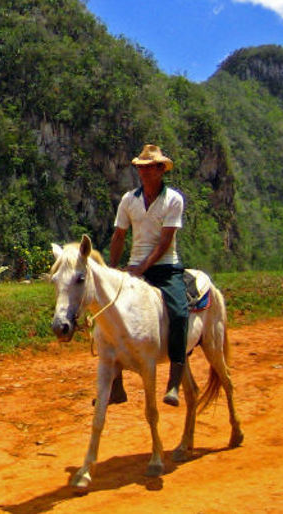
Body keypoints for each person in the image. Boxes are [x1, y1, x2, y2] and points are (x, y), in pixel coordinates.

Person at [107, 144, 189, 407]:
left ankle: (174, 383)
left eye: (148, 167)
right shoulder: (129, 200)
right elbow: (119, 235)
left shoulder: (173, 199)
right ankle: (116, 385)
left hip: (165, 267)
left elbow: (165, 241)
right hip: (133, 267)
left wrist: (143, 268)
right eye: (140, 168)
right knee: (110, 314)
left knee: (178, 313)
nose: (143, 172)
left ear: (160, 169)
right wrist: (113, 269)